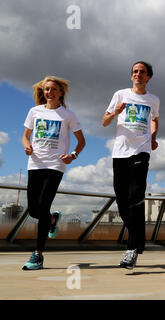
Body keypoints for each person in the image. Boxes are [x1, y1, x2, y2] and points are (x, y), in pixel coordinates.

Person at [22, 75, 86, 270]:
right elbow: (26, 136)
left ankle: (38, 255)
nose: (49, 92)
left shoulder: (68, 115)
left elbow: (81, 141)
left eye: (53, 89)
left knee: (42, 207)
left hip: (55, 166)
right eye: (46, 89)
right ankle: (52, 218)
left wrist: (73, 155)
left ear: (60, 93)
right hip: (35, 164)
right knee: (34, 210)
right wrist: (27, 147)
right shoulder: (34, 111)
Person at [102, 61, 160, 269]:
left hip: (141, 152)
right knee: (122, 200)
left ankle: (131, 249)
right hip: (120, 153)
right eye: (135, 71)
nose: (138, 74)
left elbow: (155, 120)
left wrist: (153, 137)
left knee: (136, 198)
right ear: (131, 76)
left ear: (148, 77)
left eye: (142, 72)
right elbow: (104, 122)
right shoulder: (120, 95)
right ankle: (138, 237)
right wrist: (115, 112)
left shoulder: (153, 100)